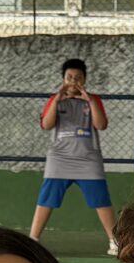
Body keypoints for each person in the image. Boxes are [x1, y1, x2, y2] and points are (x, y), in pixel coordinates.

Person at [31, 58, 118, 252]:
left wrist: (90, 101)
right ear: (63, 79)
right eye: (69, 77)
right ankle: (33, 240)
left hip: (88, 159)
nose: (73, 81)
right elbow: (46, 125)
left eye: (78, 77)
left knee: (101, 199)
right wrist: (57, 100)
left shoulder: (93, 99)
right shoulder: (55, 99)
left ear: (84, 80)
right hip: (60, 159)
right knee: (46, 198)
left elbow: (101, 125)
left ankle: (114, 241)